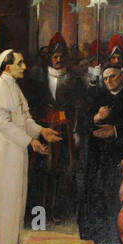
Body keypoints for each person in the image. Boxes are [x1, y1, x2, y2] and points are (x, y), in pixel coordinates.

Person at [0, 50, 61, 244]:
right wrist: (29, 141)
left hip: (15, 150)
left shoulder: (14, 86)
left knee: (14, 197)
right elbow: (1, 123)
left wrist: (41, 131)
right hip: (0, 151)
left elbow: (25, 120)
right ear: (7, 67)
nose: (24, 67)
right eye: (20, 63)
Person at [26, 34, 83, 223]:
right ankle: (39, 215)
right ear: (49, 57)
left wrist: (75, 131)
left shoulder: (74, 77)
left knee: (62, 170)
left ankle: (57, 210)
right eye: (55, 56)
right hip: (42, 128)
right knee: (41, 170)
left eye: (61, 56)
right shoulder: (38, 75)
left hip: (65, 130)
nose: (58, 60)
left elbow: (78, 106)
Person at [77, 66, 123, 244]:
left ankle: (118, 235)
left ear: (122, 76)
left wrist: (115, 130)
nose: (109, 81)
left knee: (117, 193)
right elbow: (83, 123)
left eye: (113, 77)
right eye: (106, 78)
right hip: (99, 154)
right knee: (99, 192)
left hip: (121, 151)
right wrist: (96, 118)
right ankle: (101, 235)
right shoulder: (99, 96)